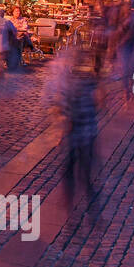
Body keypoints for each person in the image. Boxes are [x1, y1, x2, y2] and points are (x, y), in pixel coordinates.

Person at [46, 44, 101, 198]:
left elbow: (60, 105)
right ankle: (86, 188)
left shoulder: (69, 83)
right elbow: (99, 102)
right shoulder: (90, 82)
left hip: (75, 130)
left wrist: (61, 129)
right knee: (84, 161)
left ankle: (70, 194)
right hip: (87, 129)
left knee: (71, 163)